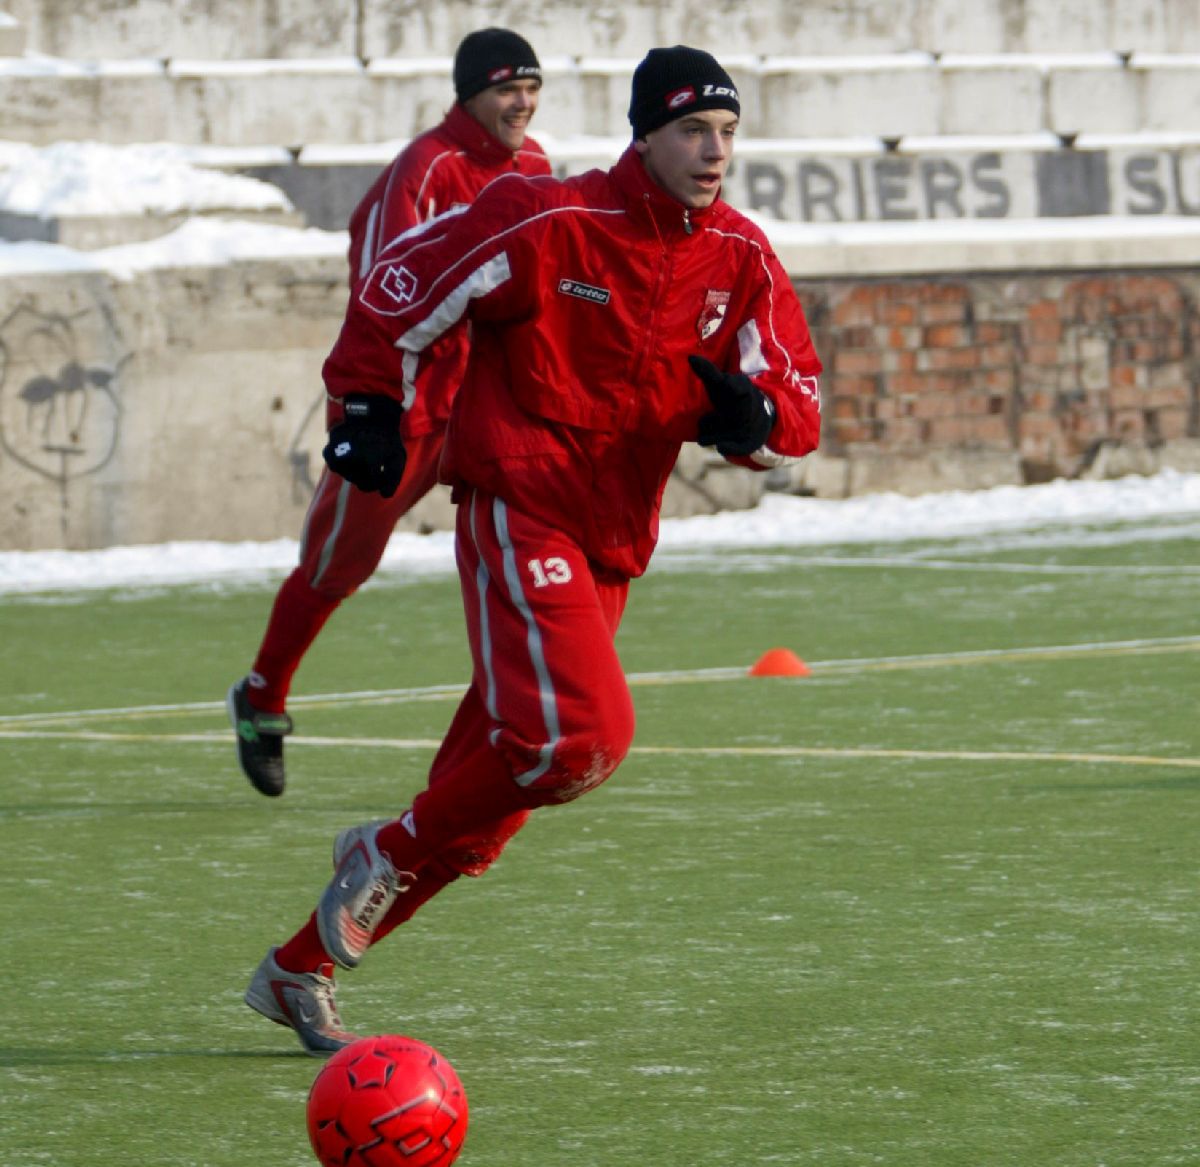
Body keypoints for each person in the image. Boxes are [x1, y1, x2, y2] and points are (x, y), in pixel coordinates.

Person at [244, 45, 823, 1055]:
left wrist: (753, 415)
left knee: (495, 811)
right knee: (578, 740)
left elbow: (799, 405)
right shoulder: (552, 217)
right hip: (521, 503)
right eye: (693, 130)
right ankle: (377, 842)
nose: (713, 151)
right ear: (644, 135)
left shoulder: (741, 255)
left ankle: (303, 965)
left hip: (613, 539)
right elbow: (401, 278)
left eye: (727, 133)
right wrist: (371, 403)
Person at [226, 27, 551, 797]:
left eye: (532, 87)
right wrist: (363, 411)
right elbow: (381, 293)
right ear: (470, 93)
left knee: (522, 543)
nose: (524, 102)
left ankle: (517, 720)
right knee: (338, 564)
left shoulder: (535, 168)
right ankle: (263, 693)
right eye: (509, 87)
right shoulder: (424, 169)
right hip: (409, 412)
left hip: (487, 409)